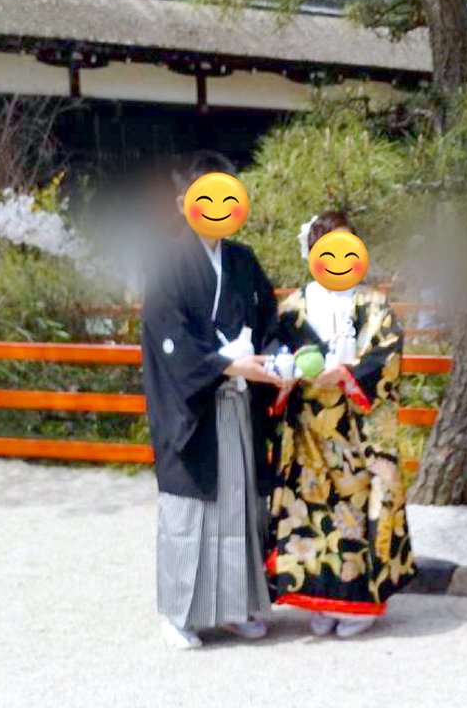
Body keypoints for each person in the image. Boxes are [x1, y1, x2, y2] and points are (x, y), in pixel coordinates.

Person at [139, 168, 283, 650]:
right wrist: (226, 364)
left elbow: (269, 320)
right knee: (191, 508)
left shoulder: (242, 260)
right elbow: (169, 337)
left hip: (239, 404)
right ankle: (179, 614)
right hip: (194, 407)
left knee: (239, 503)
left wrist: (271, 358)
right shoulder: (167, 263)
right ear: (185, 203)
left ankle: (235, 608)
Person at [267, 211, 417, 638]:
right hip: (308, 428)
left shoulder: (372, 305)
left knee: (353, 510)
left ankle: (359, 602)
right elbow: (277, 352)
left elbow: (385, 356)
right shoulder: (294, 308)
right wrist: (287, 372)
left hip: (355, 427)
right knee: (310, 512)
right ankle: (319, 596)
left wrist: (348, 375)